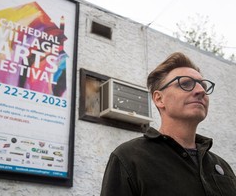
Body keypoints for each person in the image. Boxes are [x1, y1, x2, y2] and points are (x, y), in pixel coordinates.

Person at [100, 52, 236, 196]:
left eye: (203, 85)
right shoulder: (128, 158)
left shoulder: (222, 166)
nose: (201, 91)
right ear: (159, 99)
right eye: (185, 83)